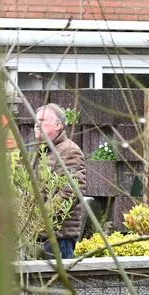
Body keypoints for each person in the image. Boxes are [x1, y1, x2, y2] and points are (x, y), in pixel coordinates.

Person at [34, 103, 86, 259]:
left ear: (58, 125)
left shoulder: (69, 150)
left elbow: (71, 191)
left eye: (42, 120)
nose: (36, 124)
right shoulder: (41, 151)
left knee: (57, 283)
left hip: (58, 238)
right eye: (35, 120)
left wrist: (38, 217)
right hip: (40, 235)